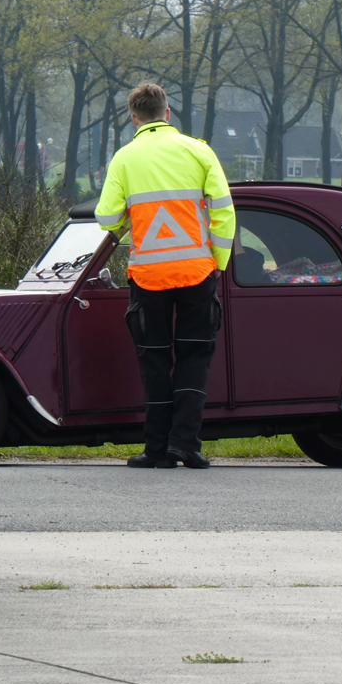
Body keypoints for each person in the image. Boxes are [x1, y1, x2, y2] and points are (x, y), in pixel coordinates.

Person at [95, 83, 236, 469]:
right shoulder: (199, 151)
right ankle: (185, 444)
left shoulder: (124, 159)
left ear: (133, 117)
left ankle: (156, 449)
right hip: (196, 272)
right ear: (168, 112)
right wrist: (218, 264)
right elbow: (224, 213)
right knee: (194, 357)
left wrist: (132, 218)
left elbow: (107, 219)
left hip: (148, 277)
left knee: (154, 360)